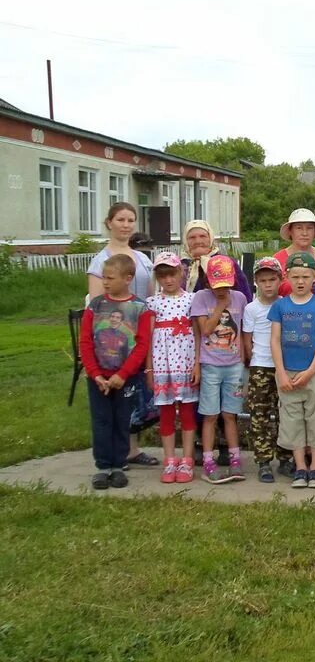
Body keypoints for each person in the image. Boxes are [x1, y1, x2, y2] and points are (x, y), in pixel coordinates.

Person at [86, 202, 157, 468]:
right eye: (120, 220)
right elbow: (96, 304)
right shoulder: (100, 259)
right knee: (110, 402)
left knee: (134, 393)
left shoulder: (142, 259)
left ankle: (132, 448)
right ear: (109, 223)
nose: (126, 225)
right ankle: (113, 453)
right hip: (112, 337)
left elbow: (149, 298)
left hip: (137, 334)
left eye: (130, 220)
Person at [80, 254, 154, 490]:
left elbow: (142, 344)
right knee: (101, 421)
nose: (105, 282)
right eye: (104, 277)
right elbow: (86, 342)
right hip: (98, 377)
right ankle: (102, 467)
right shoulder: (95, 306)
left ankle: (118, 465)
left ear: (128, 278)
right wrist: (95, 373)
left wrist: (123, 374)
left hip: (126, 377)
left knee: (122, 420)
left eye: (111, 278)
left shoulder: (140, 308)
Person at [269, 252, 315, 489]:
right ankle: (300, 467)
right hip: (287, 372)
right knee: (292, 419)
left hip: (313, 373)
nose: (300, 281)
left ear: (314, 277)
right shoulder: (280, 306)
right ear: (286, 276)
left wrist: (310, 371)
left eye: (305, 276)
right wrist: (281, 373)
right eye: (295, 276)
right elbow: (275, 340)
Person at [190, 254, 248, 484]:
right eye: (217, 286)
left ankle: (235, 460)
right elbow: (204, 330)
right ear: (208, 283)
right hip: (211, 365)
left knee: (230, 414)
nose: (222, 290)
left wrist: (244, 362)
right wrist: (221, 306)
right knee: (210, 415)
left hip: (234, 365)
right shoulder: (201, 298)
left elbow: (242, 331)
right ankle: (208, 461)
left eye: (226, 285)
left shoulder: (241, 298)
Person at [146, 252, 199, 484]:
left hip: (186, 361)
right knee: (166, 411)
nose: (168, 280)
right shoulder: (152, 302)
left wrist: (197, 363)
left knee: (187, 410)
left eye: (172, 274)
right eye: (163, 275)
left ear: (181, 273)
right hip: (162, 364)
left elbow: (198, 333)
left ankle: (187, 459)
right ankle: (169, 458)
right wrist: (148, 369)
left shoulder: (191, 300)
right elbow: (147, 337)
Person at [242, 257, 291, 483]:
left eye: (272, 279)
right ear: (256, 282)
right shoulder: (251, 308)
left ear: (281, 279)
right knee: (259, 415)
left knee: (285, 414)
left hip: (284, 366)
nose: (268, 284)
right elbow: (247, 339)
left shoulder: (286, 304)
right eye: (263, 280)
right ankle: (263, 461)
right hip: (260, 366)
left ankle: (285, 458)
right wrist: (252, 362)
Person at [182, 220, 252, 301]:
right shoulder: (180, 266)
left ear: (210, 238)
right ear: (186, 241)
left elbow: (244, 296)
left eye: (202, 236)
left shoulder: (225, 262)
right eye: (192, 237)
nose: (198, 241)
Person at [274, 208, 315, 297]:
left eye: (309, 228)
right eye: (299, 228)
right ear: (290, 231)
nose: (304, 233)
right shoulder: (277, 260)